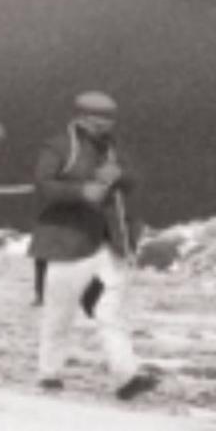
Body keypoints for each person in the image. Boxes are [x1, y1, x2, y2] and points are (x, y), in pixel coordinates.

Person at [29, 91, 154, 400]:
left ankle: (127, 377)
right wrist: (81, 191)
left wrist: (120, 174)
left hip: (109, 240)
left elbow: (135, 179)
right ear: (80, 117)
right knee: (60, 312)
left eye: (108, 120)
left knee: (113, 312)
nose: (104, 126)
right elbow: (42, 184)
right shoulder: (58, 146)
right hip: (66, 240)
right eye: (97, 119)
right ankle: (49, 375)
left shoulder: (113, 149)